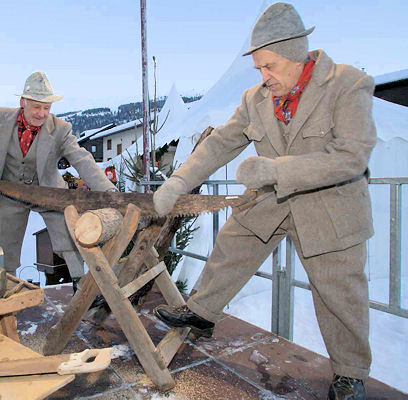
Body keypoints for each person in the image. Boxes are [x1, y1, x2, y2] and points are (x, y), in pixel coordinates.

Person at [152, 4, 375, 399]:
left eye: (268, 66)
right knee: (233, 246)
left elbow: (351, 157)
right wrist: (180, 181)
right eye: (258, 68)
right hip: (273, 201)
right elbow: (220, 143)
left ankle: (350, 373)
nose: (263, 76)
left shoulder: (348, 84)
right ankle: (202, 313)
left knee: (338, 292)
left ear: (296, 54)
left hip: (330, 206)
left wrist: (276, 171)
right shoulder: (255, 99)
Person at [0, 71, 115, 290]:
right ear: (22, 102)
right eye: (36, 107)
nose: (42, 113)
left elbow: (82, 159)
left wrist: (109, 192)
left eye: (47, 108)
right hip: (10, 192)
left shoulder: (61, 129)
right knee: (6, 247)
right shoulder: (0, 117)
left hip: (48, 192)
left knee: (70, 235)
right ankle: (6, 290)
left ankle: (80, 284)